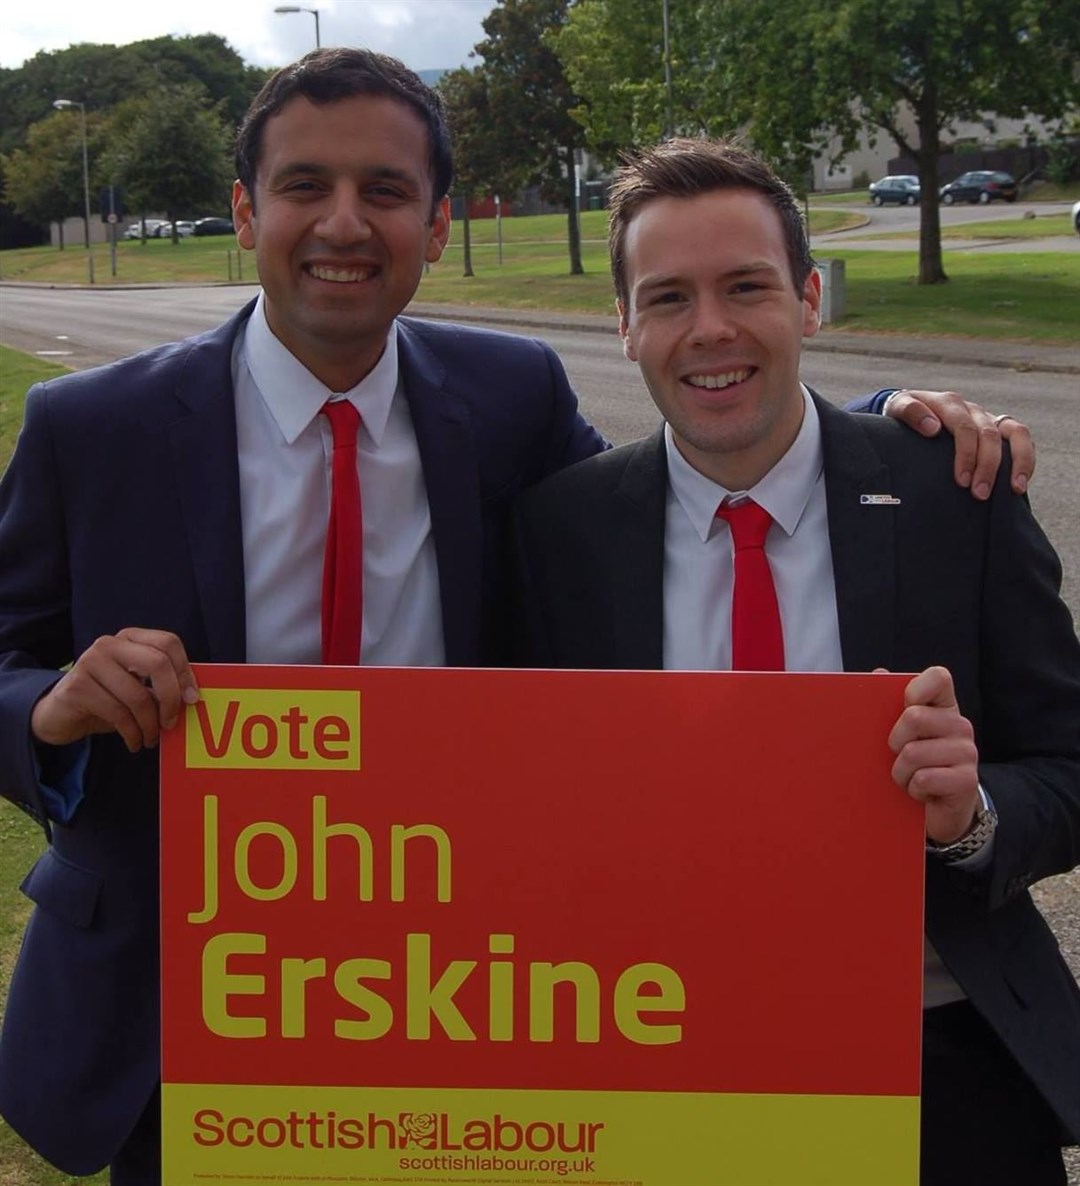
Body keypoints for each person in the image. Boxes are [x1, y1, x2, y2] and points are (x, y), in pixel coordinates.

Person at [0, 48, 1037, 1186]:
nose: (344, 222)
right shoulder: (89, 430)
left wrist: (894, 430)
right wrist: (47, 710)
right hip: (200, 995)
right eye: (305, 186)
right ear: (246, 210)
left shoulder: (508, 398)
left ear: (437, 224)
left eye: (386, 191)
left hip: (474, 986)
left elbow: (699, 464)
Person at [511, 138, 1080, 1186]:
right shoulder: (561, 535)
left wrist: (971, 817)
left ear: (810, 299)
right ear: (624, 325)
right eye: (669, 296)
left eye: (747, 287)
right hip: (658, 1055)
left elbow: (1070, 768)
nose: (712, 329)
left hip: (936, 1055)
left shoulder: (957, 495)